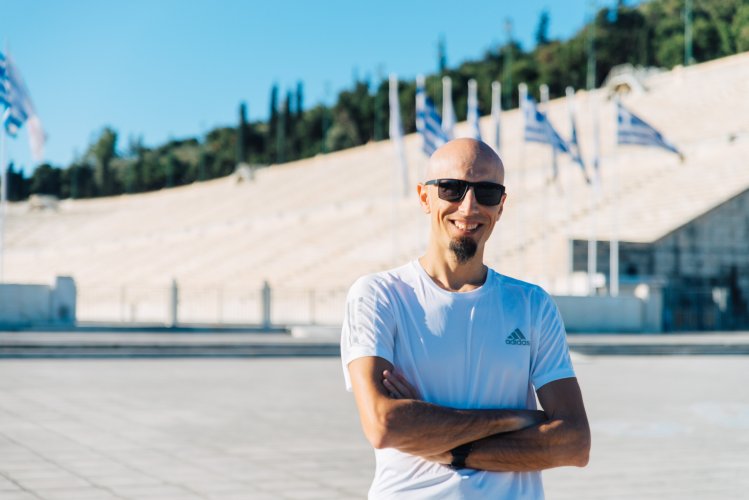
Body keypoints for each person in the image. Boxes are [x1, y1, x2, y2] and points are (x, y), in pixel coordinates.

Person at [340, 138, 590, 499]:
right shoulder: (379, 295)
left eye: (487, 192)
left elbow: (574, 444)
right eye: (452, 189)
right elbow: (383, 424)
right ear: (425, 198)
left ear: (501, 206)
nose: (469, 206)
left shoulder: (531, 304)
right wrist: (513, 419)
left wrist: (445, 445)